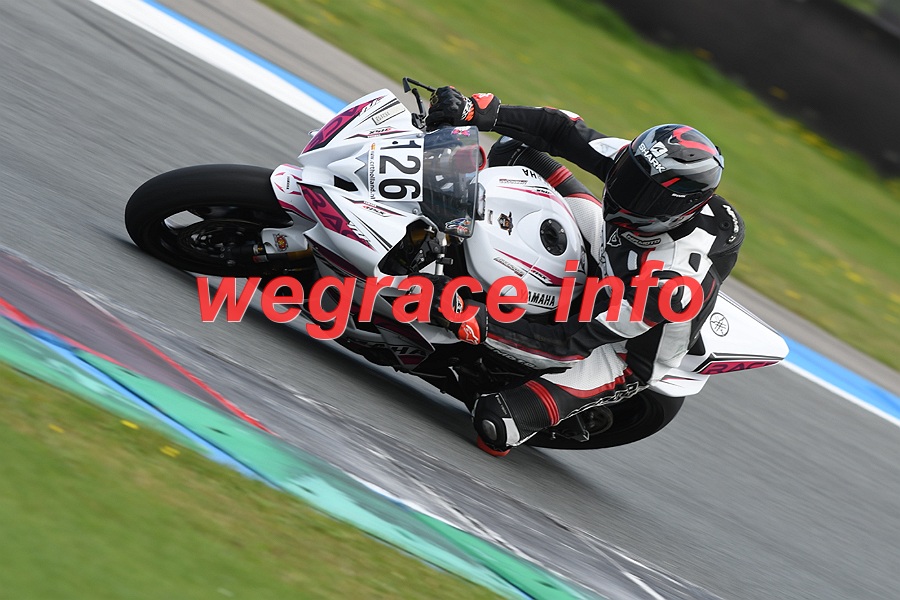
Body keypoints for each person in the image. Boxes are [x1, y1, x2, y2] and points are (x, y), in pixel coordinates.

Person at [424, 86, 743, 455]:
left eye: (642, 195)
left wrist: (477, 320)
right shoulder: (644, 167)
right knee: (515, 148)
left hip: (621, 348)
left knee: (496, 424)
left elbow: (565, 344)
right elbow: (561, 129)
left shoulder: (671, 282)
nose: (623, 191)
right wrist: (477, 112)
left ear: (679, 212)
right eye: (627, 176)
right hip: (610, 250)